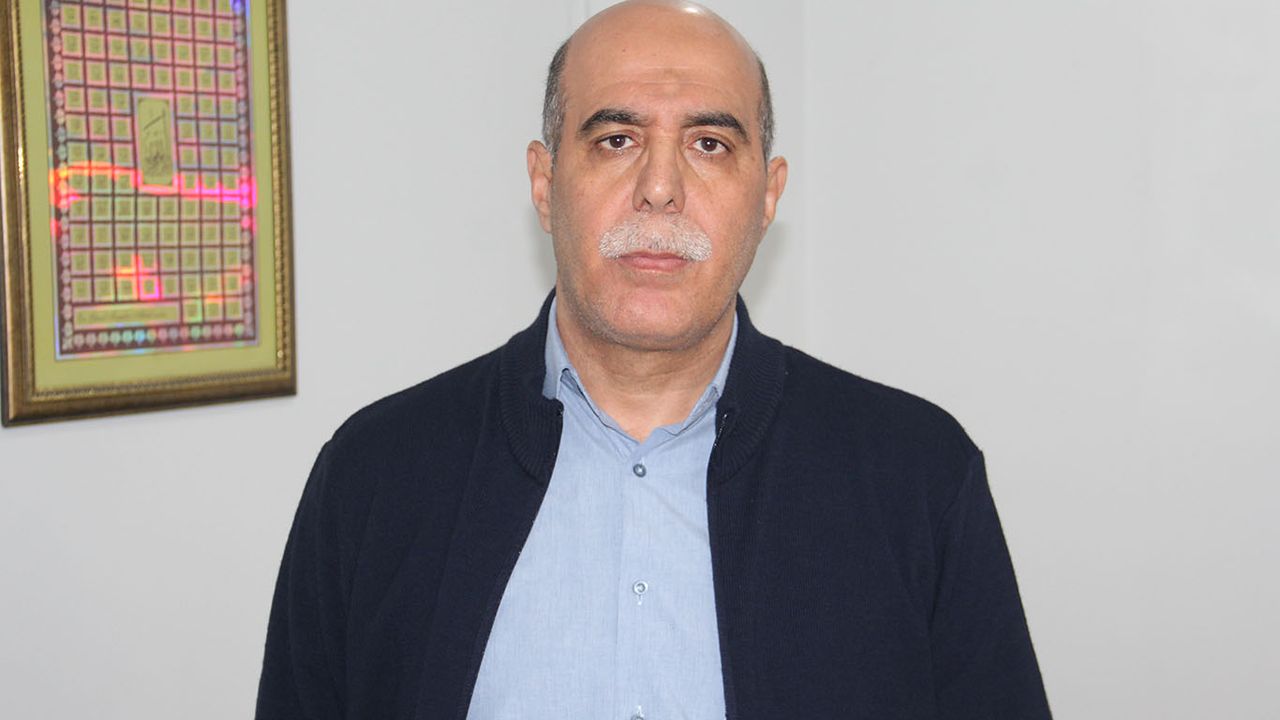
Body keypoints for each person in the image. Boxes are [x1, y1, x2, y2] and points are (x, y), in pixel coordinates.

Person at [255, 1, 1052, 718]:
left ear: (767, 195)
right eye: (617, 140)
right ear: (545, 182)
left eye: (709, 144)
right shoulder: (374, 475)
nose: (660, 188)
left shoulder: (919, 475)